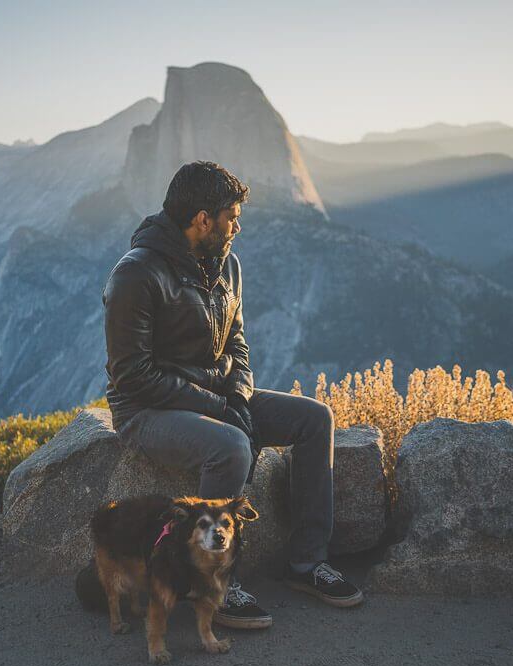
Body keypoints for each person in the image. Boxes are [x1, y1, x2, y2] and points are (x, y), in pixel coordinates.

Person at [102, 160, 363, 629]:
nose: (238, 225)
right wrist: (221, 410)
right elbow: (132, 376)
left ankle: (306, 563)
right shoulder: (135, 275)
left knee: (315, 418)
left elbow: (237, 342)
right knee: (230, 445)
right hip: (146, 409)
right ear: (203, 219)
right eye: (232, 216)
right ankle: (215, 586)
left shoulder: (226, 265)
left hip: (218, 394)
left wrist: (240, 398)